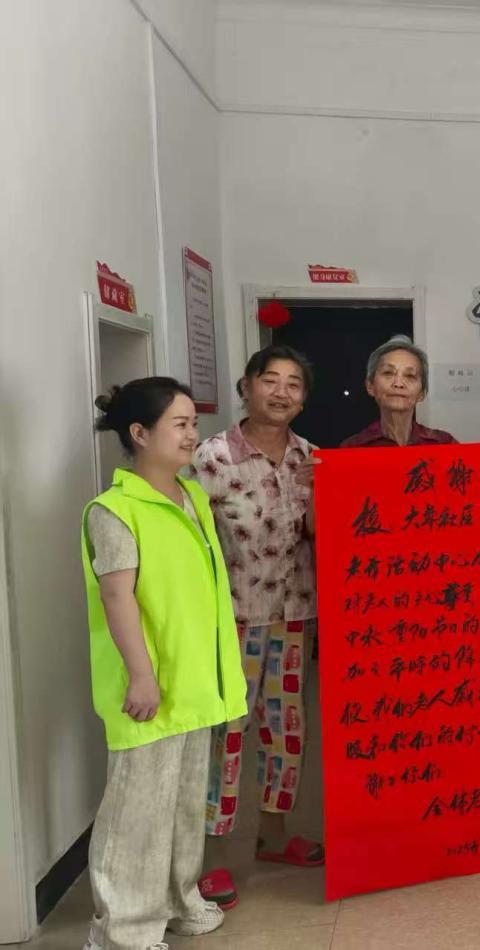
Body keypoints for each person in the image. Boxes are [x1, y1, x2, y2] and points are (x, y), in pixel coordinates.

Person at [81, 378, 247, 950]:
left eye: (192, 423)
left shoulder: (192, 497)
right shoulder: (114, 510)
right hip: (148, 688)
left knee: (180, 807)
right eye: (180, 424)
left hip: (195, 681)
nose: (192, 434)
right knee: (137, 813)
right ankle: (121, 933)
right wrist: (142, 675)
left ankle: (179, 901)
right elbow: (117, 596)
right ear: (139, 433)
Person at [192, 346, 323, 909]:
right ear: (246, 387)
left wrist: (324, 495)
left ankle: (273, 835)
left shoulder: (310, 457)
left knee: (287, 730)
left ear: (304, 398)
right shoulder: (212, 457)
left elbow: (322, 534)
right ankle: (211, 857)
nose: (281, 392)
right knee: (228, 734)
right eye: (270, 380)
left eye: (294, 384)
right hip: (233, 618)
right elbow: (191, 539)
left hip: (295, 614)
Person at [341, 335, 457, 447]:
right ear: (370, 386)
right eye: (388, 373)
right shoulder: (352, 447)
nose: (398, 384)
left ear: (422, 393)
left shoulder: (444, 444)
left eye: (410, 375)